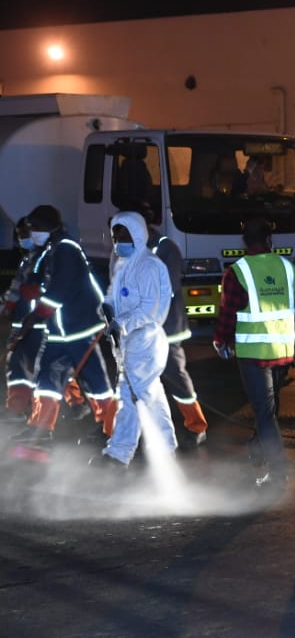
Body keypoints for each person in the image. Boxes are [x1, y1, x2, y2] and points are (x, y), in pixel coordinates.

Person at [213, 216, 295, 488]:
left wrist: (221, 341)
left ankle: (278, 473)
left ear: (245, 242)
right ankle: (258, 448)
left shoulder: (237, 271)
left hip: (253, 353)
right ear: (269, 240)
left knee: (265, 413)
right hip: (283, 350)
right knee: (269, 408)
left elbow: (228, 314)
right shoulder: (287, 268)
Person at [9, 204, 118, 450]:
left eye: (36, 227)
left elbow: (60, 289)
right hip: (58, 330)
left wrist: (34, 316)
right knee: (47, 378)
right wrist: (33, 286)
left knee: (95, 381)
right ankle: (40, 429)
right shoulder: (50, 249)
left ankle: (112, 428)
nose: (33, 232)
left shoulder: (67, 249)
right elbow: (40, 276)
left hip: (79, 328)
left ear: (51, 226)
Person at [91, 211, 178, 470]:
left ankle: (159, 452)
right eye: (116, 235)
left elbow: (150, 309)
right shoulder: (124, 264)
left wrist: (121, 323)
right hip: (128, 343)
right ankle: (124, 453)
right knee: (133, 398)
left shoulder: (149, 265)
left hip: (145, 342)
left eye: (124, 235)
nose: (119, 241)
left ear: (138, 235)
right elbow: (113, 296)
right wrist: (106, 308)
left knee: (144, 398)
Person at [135, 201, 209, 448]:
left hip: (165, 328)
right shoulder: (130, 248)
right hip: (138, 327)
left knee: (174, 375)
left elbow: (165, 288)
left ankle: (196, 426)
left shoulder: (166, 249)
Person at [2, 216, 46, 424]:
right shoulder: (28, 260)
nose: (22, 239)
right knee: (18, 366)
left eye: (25, 235)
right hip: (23, 324)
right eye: (19, 236)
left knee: (41, 368)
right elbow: (15, 290)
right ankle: (18, 409)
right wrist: (7, 305)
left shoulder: (44, 259)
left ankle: (63, 407)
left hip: (38, 325)